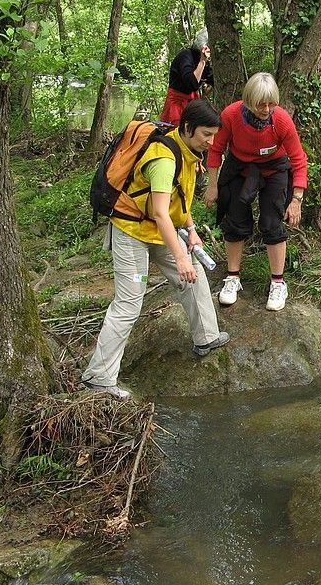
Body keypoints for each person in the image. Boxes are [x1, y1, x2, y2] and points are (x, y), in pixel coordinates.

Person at [81, 99, 230, 400]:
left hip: (158, 229)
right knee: (129, 302)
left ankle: (207, 338)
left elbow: (179, 199)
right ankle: (99, 377)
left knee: (194, 274)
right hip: (132, 231)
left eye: (214, 135)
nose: (211, 142)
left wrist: (191, 231)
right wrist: (180, 256)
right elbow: (162, 212)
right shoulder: (164, 159)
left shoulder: (187, 150)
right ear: (187, 128)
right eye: (205, 134)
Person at [204, 72, 307, 312]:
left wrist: (297, 199)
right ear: (249, 101)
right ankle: (232, 278)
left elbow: (299, 160)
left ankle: (278, 283)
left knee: (272, 222)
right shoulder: (230, 115)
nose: (267, 109)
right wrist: (212, 186)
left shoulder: (280, 120)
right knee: (236, 220)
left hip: (275, 169)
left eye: (272, 103)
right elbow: (216, 150)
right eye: (262, 104)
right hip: (240, 168)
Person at [160, 29, 213, 126]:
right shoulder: (185, 56)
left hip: (192, 105)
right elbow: (192, 84)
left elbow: (213, 79)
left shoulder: (205, 63)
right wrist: (202, 61)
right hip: (177, 105)